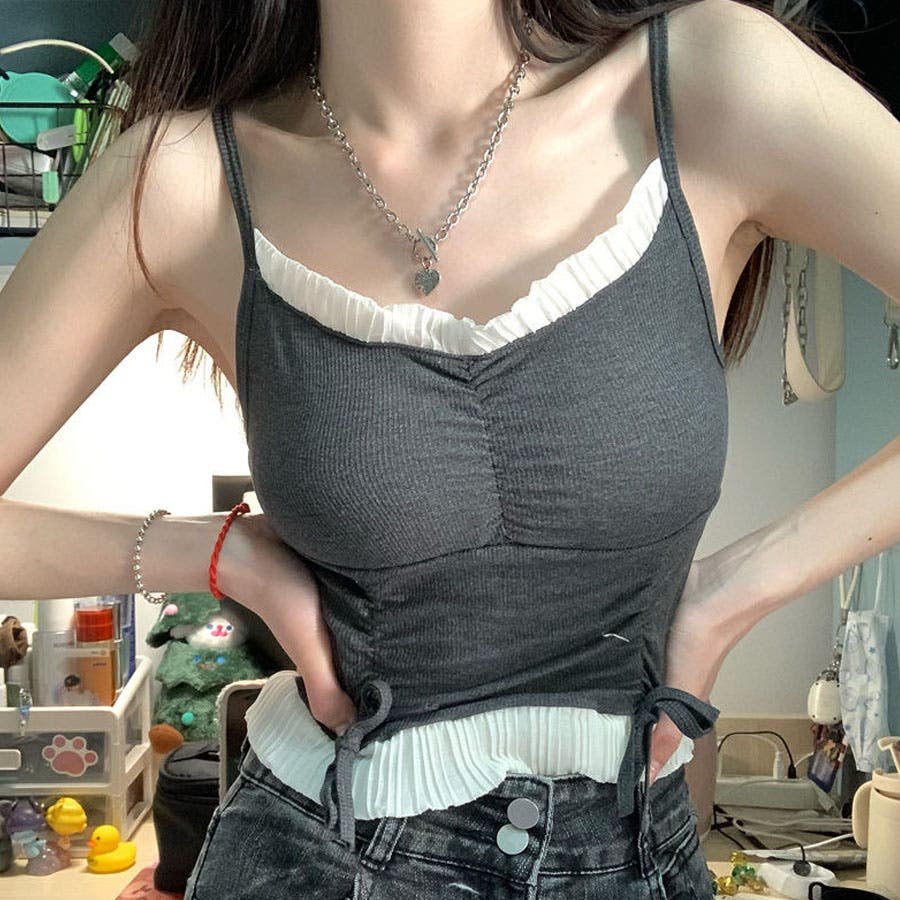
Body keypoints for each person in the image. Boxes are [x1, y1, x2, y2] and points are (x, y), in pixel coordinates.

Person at [1, 0, 898, 897]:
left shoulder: (711, 87)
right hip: (321, 850)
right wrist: (216, 553)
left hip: (638, 851)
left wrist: (735, 590)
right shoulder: (181, 181)